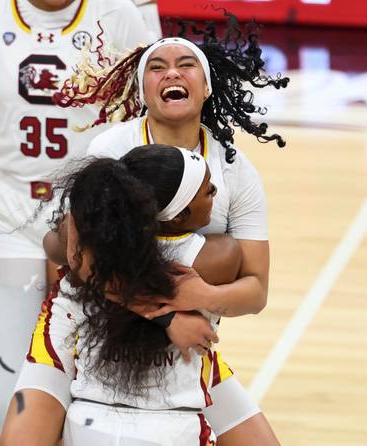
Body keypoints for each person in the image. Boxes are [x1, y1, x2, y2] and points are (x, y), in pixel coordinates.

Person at [53, 15, 288, 445]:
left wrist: (206, 296)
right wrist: (162, 314)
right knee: (17, 433)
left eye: (186, 64)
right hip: (87, 326)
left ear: (207, 86)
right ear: (143, 91)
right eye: (157, 67)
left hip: (181, 343)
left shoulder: (235, 170)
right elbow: (73, 256)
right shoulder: (111, 148)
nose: (172, 73)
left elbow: (256, 290)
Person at [0, 0, 154, 444]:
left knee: (82, 405)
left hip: (90, 225)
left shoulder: (119, 13)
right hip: (7, 218)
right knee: (1, 402)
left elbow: (144, 118)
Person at [0, 144, 242, 445]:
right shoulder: (217, 253)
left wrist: (82, 232)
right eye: (208, 190)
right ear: (178, 216)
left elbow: (57, 248)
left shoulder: (99, 236)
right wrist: (166, 317)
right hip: (75, 326)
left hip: (129, 349)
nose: (217, 192)